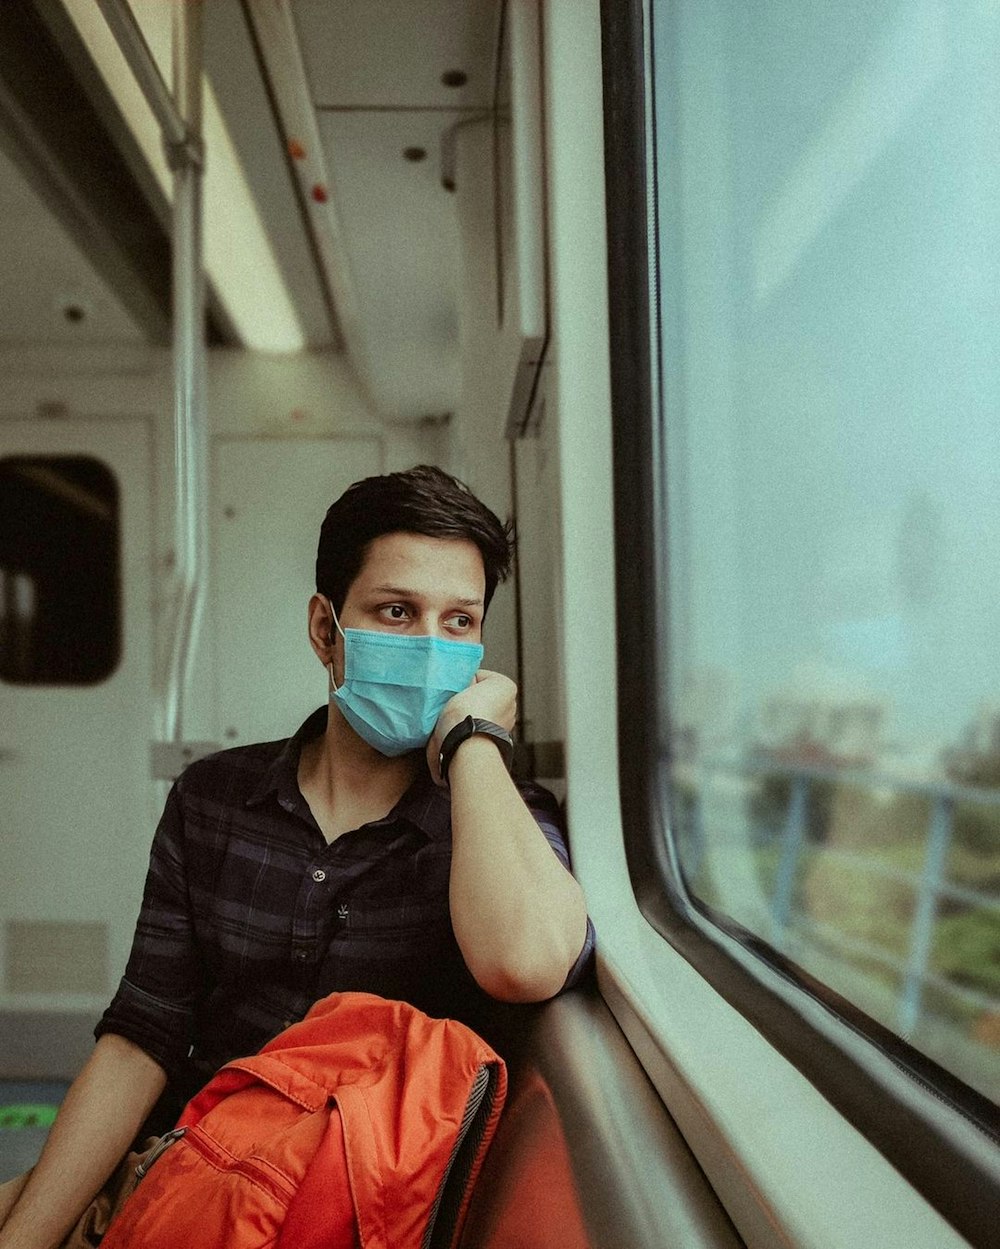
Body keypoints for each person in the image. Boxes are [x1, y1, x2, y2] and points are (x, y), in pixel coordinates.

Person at [0, 464, 594, 1248]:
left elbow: (526, 960)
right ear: (325, 630)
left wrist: (474, 739)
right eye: (395, 611)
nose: (428, 648)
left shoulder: (495, 827)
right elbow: (141, 1039)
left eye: (458, 624)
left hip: (339, 1204)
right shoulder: (213, 798)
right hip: (184, 1160)